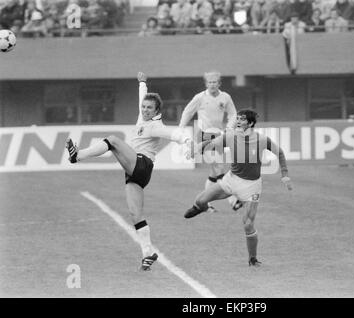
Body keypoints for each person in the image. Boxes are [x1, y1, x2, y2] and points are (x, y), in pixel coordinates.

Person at [65, 71, 192, 271]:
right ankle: (148, 253)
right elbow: (142, 97)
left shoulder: (155, 126)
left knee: (113, 140)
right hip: (136, 172)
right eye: (144, 107)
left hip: (142, 164)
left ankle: (77, 156)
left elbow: (174, 134)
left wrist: (187, 141)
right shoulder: (142, 116)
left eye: (150, 108)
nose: (145, 110)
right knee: (135, 214)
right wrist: (142, 82)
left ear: (157, 110)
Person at [183, 109, 293, 266]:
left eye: (241, 119)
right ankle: (200, 207)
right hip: (231, 180)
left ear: (250, 123)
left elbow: (280, 153)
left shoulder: (262, 139)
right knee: (200, 200)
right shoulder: (231, 136)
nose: (237, 121)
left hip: (251, 187)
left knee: (248, 224)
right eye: (237, 119)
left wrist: (285, 174)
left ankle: (252, 259)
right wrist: (198, 148)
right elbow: (213, 143)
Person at [178, 70, 240, 212]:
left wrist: (230, 127)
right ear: (206, 84)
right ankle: (233, 201)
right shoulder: (200, 97)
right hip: (203, 136)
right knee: (219, 167)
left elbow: (233, 114)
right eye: (209, 82)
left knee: (214, 172)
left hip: (218, 136)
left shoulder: (225, 97)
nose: (212, 85)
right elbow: (187, 111)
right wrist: (180, 128)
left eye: (214, 82)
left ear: (219, 83)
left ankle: (205, 204)